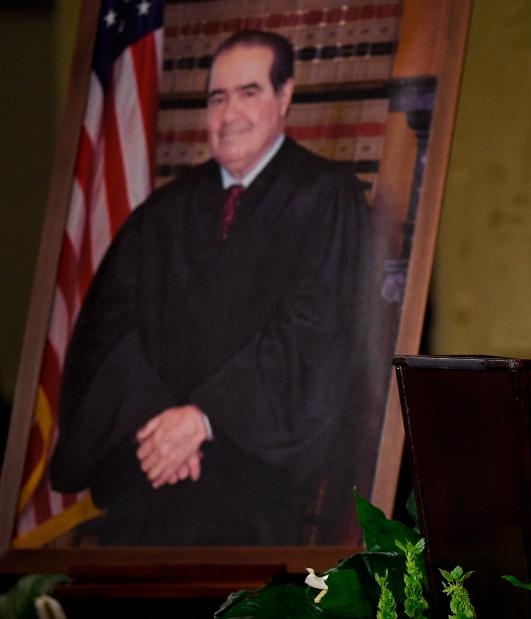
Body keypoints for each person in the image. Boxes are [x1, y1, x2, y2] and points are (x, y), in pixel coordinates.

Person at [50, 30, 373, 545]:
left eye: (249, 93)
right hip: (149, 469)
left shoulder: (325, 198)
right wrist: (161, 428)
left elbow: (314, 336)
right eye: (217, 98)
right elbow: (106, 336)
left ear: (285, 96)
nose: (229, 114)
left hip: (255, 487)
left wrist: (204, 419)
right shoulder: (164, 211)